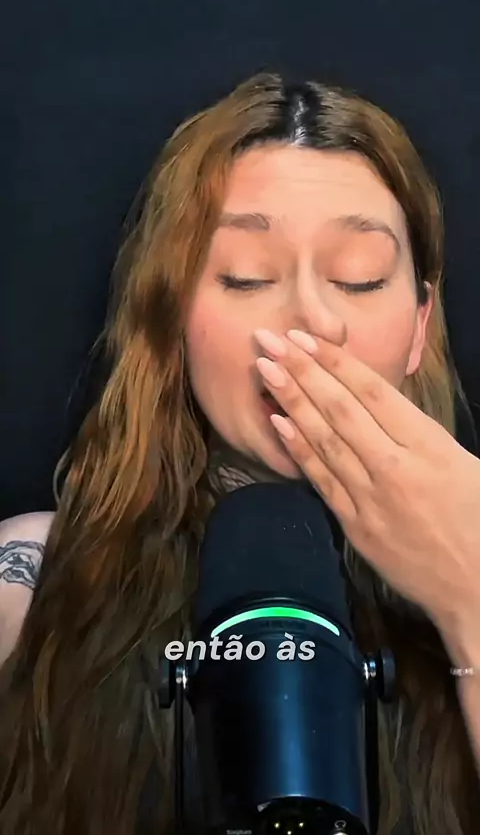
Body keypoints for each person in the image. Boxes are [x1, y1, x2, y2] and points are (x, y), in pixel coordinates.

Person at [1, 71, 480, 835]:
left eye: (358, 278)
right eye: (246, 276)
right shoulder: (28, 586)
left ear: (420, 325)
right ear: (171, 315)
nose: (312, 319)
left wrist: (469, 598)